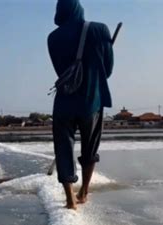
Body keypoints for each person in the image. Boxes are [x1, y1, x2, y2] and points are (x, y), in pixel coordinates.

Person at [48, 0, 114, 210]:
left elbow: (62, 70)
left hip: (64, 102)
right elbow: (108, 69)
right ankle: (84, 192)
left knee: (63, 148)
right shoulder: (99, 29)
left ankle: (70, 199)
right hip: (91, 101)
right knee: (90, 147)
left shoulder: (53, 37)